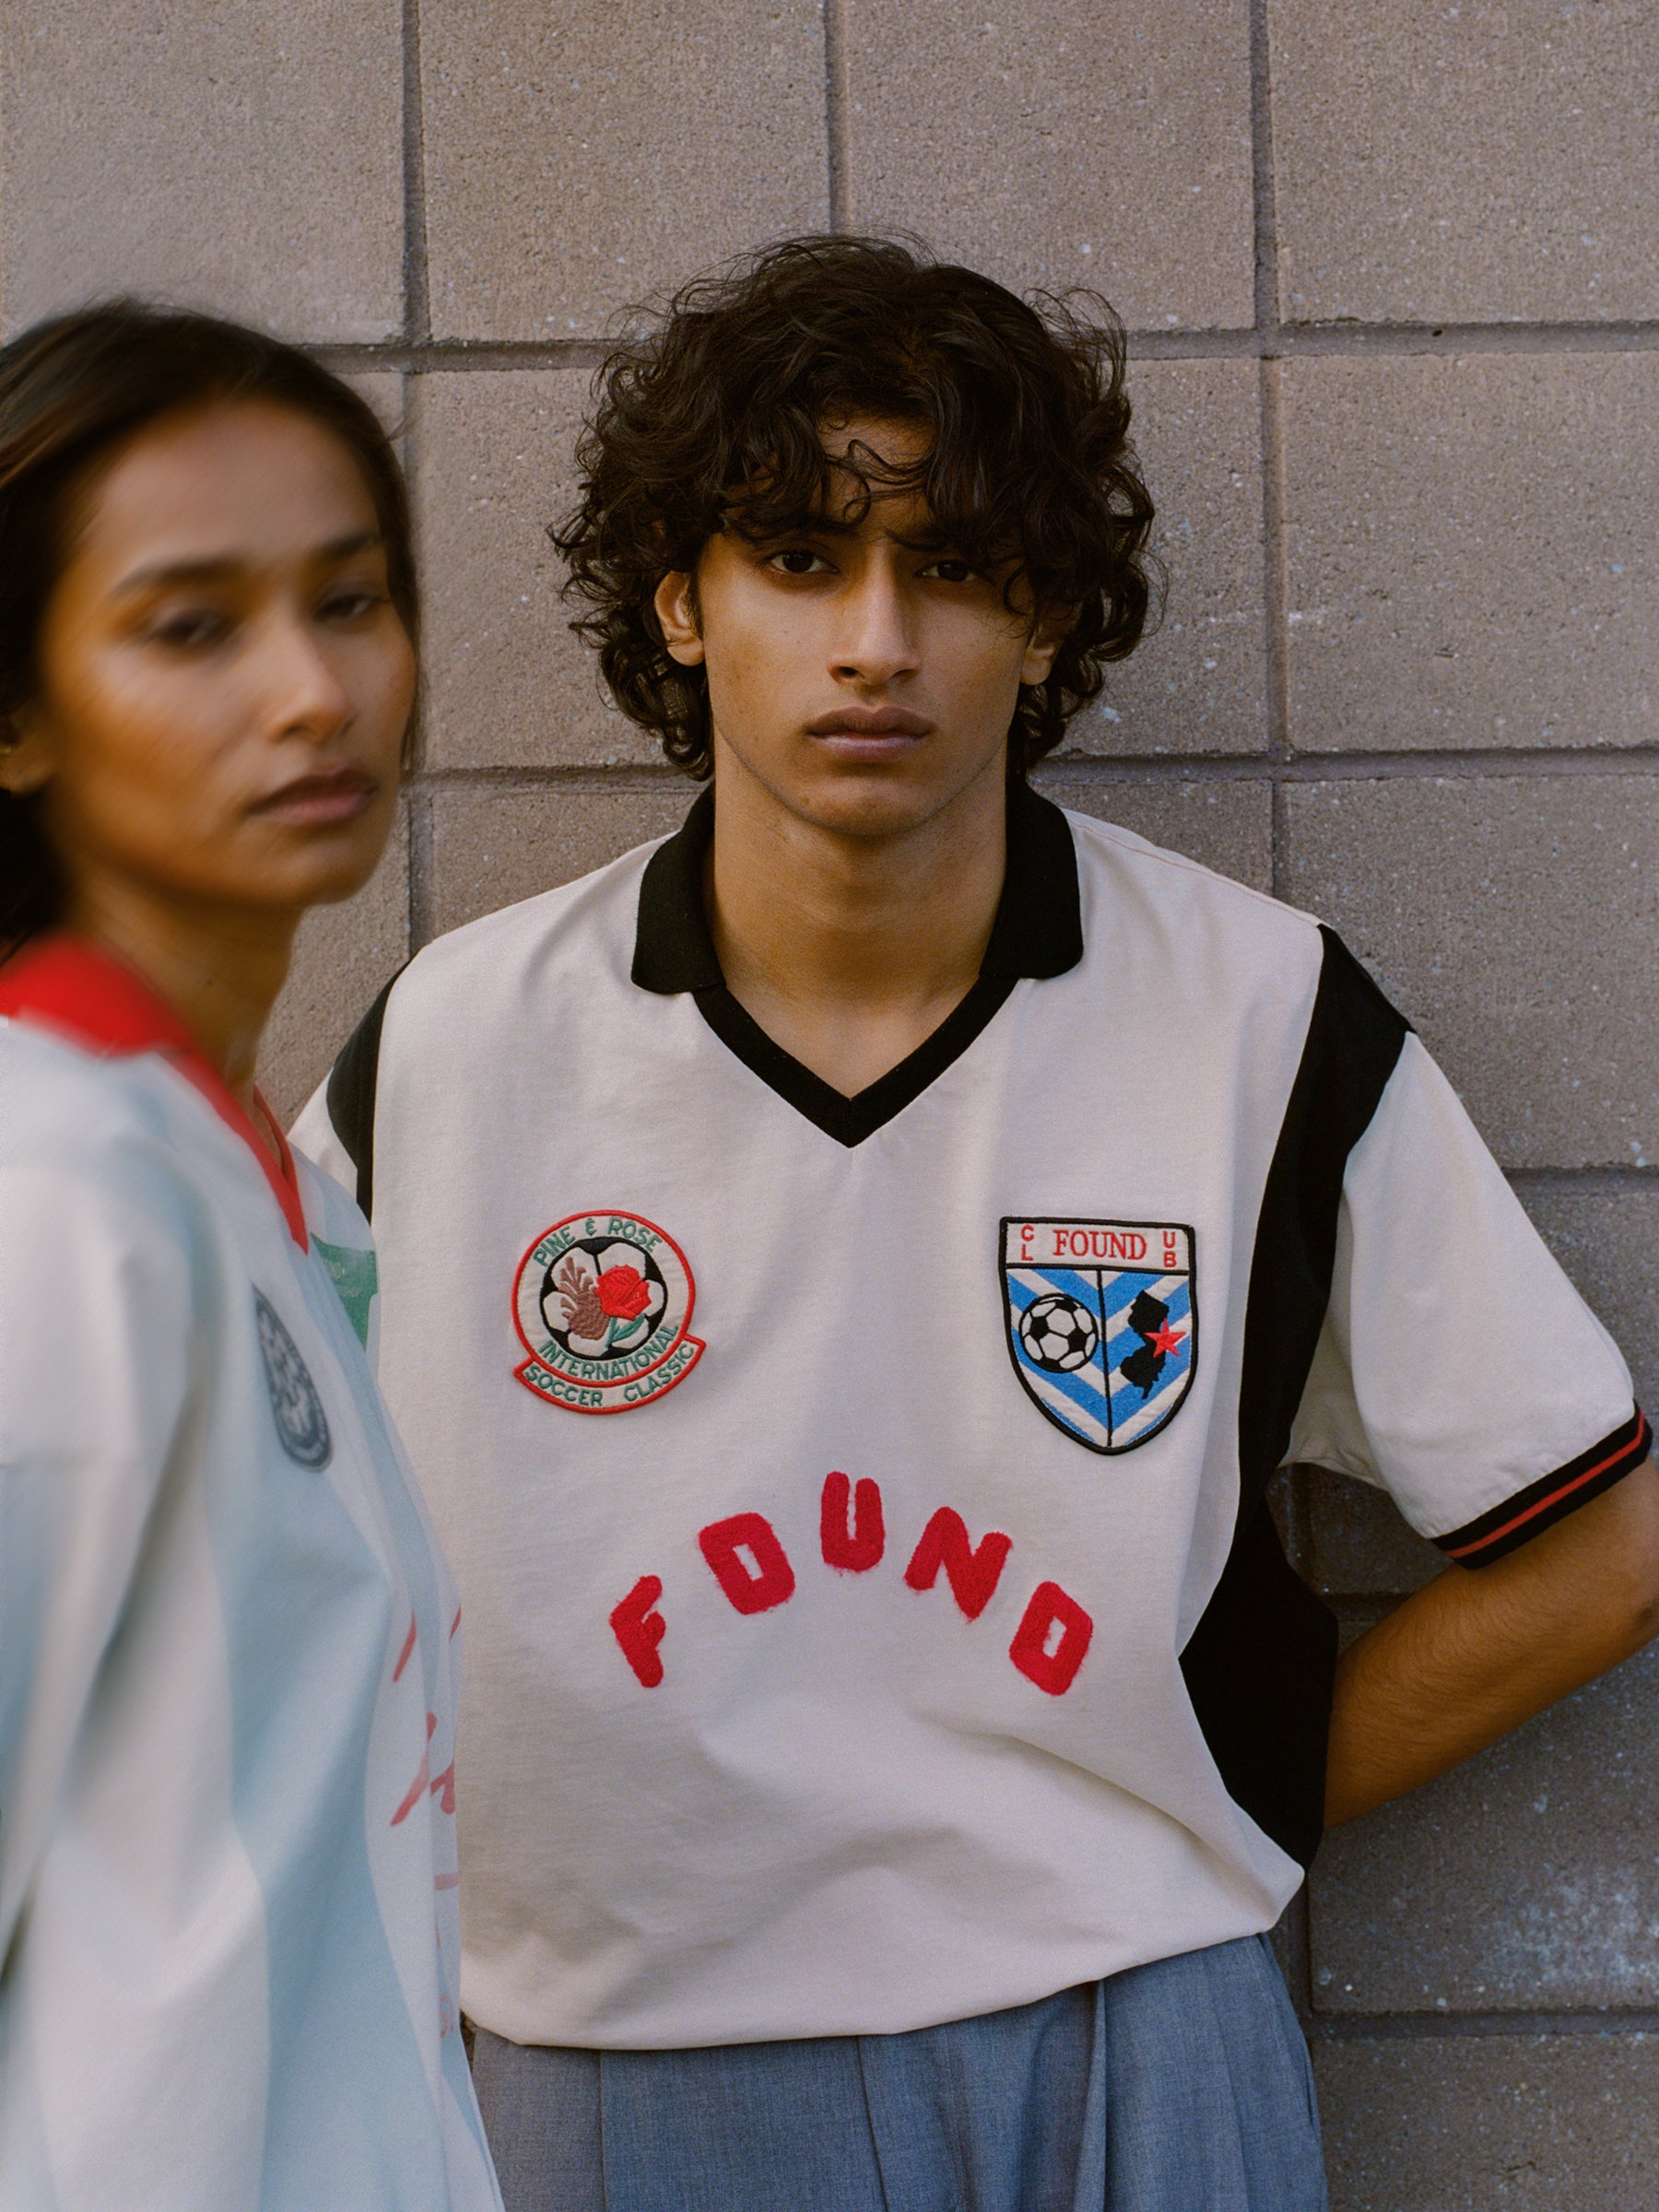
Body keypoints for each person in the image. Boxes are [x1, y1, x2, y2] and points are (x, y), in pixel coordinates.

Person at [295, 238, 1659, 2211]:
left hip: (1129, 2032)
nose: (876, 640)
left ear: (1043, 624)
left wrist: (1216, 1816)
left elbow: (1598, 1554)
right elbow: (232, 1565)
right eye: (795, 558)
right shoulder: (453, 1046)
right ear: (679, 604)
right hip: (611, 2060)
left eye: (953, 566)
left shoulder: (1255, 1016)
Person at [0, 304, 502, 2212]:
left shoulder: (273, 1190)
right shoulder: (48, 1199)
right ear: (17, 711)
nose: (313, 690)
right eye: (190, 625)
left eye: (353, 599)